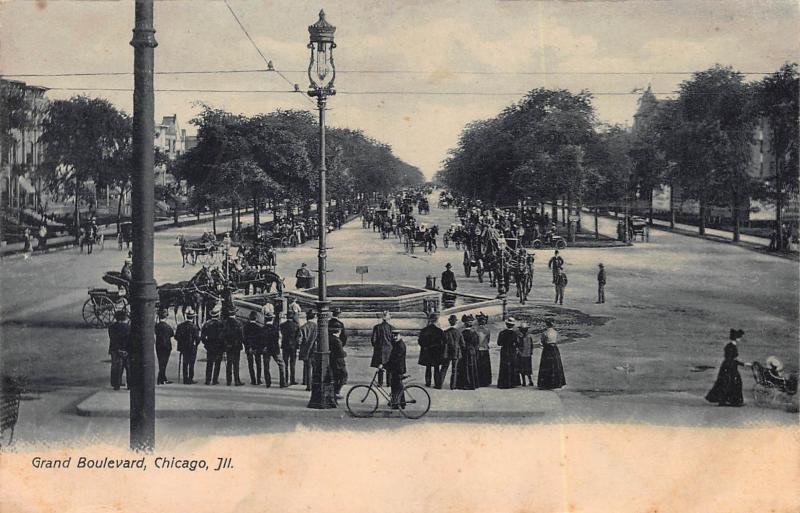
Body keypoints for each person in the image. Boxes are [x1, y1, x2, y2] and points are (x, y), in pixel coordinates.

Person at [706, 329, 750, 406]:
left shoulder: (730, 346)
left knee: (726, 383)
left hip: (728, 366)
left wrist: (742, 363)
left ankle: (726, 401)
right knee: (732, 383)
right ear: (736, 338)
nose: (740, 339)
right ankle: (733, 401)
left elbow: (731, 358)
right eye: (739, 337)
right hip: (730, 367)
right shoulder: (731, 346)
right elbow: (731, 358)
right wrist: (743, 364)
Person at [537, 319, 566, 390]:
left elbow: (542, 341)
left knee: (546, 364)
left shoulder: (545, 333)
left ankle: (546, 383)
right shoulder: (555, 332)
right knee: (556, 364)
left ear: (547, 324)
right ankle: (557, 382)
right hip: (554, 348)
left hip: (547, 348)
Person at [417, 312, 444, 388]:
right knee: (436, 368)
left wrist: (425, 347)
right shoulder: (439, 331)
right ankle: (437, 383)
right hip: (436, 352)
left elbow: (420, 341)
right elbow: (442, 343)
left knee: (428, 367)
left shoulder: (424, 330)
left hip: (427, 352)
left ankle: (428, 382)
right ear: (436, 320)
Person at [175, 308, 201, 384]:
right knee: (191, 363)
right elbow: (197, 339)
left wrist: (181, 342)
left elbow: (176, 336)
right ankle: (190, 378)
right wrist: (196, 344)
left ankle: (185, 378)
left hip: (183, 347)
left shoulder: (180, 326)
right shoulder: (194, 327)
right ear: (193, 318)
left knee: (185, 362)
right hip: (192, 347)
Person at [201, 304, 225, 385]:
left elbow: (203, 336)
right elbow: (223, 336)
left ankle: (208, 380)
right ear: (218, 315)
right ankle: (215, 379)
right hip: (219, 346)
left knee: (209, 363)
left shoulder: (207, 323)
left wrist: (206, 344)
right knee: (217, 363)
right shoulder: (221, 324)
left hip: (210, 346)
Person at [262, 312, 287, 388]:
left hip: (266, 349)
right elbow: (277, 338)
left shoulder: (262, 329)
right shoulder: (275, 328)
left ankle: (268, 382)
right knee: (281, 364)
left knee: (266, 366)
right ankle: (282, 382)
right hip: (275, 349)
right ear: (272, 319)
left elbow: (261, 340)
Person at [370, 311, 395, 386]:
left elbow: (373, 340)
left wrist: (377, 346)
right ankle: (389, 383)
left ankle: (380, 383)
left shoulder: (377, 327)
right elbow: (394, 340)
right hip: (389, 350)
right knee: (389, 367)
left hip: (379, 349)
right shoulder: (392, 328)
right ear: (389, 319)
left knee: (380, 366)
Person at [107, 309, 130, 390]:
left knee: (116, 367)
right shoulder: (129, 328)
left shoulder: (111, 327)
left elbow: (112, 338)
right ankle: (130, 385)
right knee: (128, 367)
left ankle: (116, 384)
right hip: (127, 350)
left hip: (115, 350)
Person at [384, 329, 407, 408]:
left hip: (398, 369)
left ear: (400, 335)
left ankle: (397, 403)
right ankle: (399, 402)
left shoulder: (400, 345)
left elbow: (395, 359)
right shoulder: (397, 343)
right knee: (397, 386)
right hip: (396, 369)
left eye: (396, 335)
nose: (394, 337)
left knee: (397, 387)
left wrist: (385, 365)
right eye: (393, 335)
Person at [456, 315, 480, 390]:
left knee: (463, 367)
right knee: (472, 366)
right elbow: (477, 344)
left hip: (464, 351)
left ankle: (463, 383)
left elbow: (459, 343)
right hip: (472, 351)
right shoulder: (474, 333)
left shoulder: (461, 333)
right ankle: (472, 383)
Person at [222, 306, 245, 386]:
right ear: (235, 313)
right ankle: (237, 380)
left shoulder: (224, 322)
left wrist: (225, 344)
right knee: (236, 364)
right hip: (236, 346)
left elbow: (222, 335)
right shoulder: (238, 323)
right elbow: (241, 336)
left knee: (229, 363)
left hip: (228, 346)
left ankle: (229, 380)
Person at [440, 314, 463, 390]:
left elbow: (442, 343)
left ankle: (439, 384)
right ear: (455, 322)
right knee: (454, 369)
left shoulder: (445, 332)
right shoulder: (459, 332)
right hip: (456, 352)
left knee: (444, 368)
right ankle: (453, 386)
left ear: (449, 322)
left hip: (447, 352)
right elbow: (462, 344)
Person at [497, 318, 520, 389]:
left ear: (506, 324)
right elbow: (518, 343)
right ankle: (512, 383)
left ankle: (503, 383)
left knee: (504, 366)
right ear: (513, 325)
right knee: (513, 365)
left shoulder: (502, 333)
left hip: (504, 350)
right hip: (512, 351)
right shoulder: (515, 334)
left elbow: (499, 343)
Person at [244, 311, 266, 385]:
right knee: (258, 364)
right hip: (256, 348)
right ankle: (258, 379)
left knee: (250, 364)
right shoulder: (259, 328)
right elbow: (261, 340)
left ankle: (253, 380)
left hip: (248, 348)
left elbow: (244, 338)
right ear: (256, 318)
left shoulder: (245, 327)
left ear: (249, 318)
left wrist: (247, 346)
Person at [299, 310, 318, 391]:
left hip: (306, 349)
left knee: (307, 367)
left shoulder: (303, 327)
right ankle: (314, 384)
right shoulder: (317, 327)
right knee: (315, 367)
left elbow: (299, 340)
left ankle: (307, 383)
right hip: (315, 349)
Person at [280, 311, 301, 385]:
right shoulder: (296, 326)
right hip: (293, 346)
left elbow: (282, 334)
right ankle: (292, 379)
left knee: (285, 363)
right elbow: (298, 337)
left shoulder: (282, 325)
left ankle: (285, 379)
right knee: (292, 363)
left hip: (285, 345)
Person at [154, 310, 174, 385]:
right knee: (164, 363)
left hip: (158, 345)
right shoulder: (167, 327)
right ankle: (161, 378)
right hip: (166, 346)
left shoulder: (157, 326)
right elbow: (172, 334)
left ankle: (163, 377)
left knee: (160, 362)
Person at [329, 326, 348, 399]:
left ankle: (335, 392)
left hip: (333, 360)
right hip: (339, 362)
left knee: (336, 377)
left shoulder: (330, 338)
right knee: (344, 376)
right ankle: (337, 391)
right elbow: (341, 353)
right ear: (339, 331)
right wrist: (345, 353)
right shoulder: (337, 340)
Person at [475, 313, 492, 387]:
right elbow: (488, 340)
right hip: (485, 349)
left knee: (478, 365)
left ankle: (477, 380)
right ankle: (485, 381)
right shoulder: (487, 330)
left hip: (478, 349)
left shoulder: (475, 330)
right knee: (485, 366)